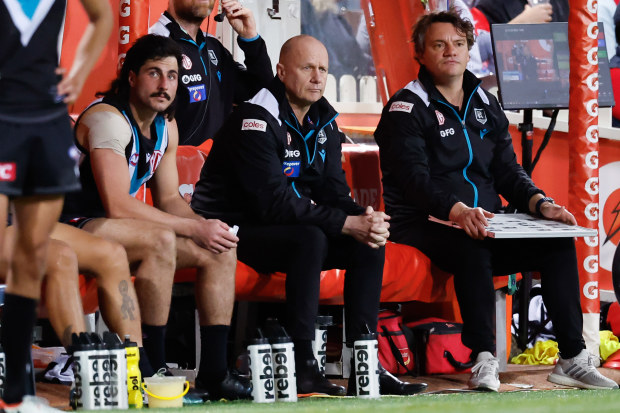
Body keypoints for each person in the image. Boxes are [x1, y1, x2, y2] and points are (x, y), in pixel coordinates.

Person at [374, 8, 619, 392]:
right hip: (422, 224)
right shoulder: (406, 107)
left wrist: (541, 203)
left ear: (470, 50)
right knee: (472, 245)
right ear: (421, 54)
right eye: (438, 44)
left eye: (458, 43)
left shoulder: (485, 103)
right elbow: (413, 182)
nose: (449, 51)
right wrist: (457, 211)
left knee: (556, 241)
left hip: (485, 222)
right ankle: (483, 358)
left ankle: (571, 357)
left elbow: (508, 171)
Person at [191, 34, 427, 396]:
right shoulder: (254, 119)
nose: (317, 77)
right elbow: (273, 203)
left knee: (367, 244)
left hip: (285, 225)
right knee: (310, 238)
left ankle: (367, 367)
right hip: (234, 228)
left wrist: (365, 219)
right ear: (282, 72)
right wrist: (346, 223)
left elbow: (332, 190)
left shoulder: (323, 120)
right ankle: (303, 364)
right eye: (307, 68)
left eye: (323, 69)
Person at [61, 34, 248, 401]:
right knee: (160, 240)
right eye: (154, 73)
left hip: (110, 227)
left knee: (220, 250)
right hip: (67, 223)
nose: (165, 85)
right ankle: (155, 368)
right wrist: (193, 226)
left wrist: (205, 228)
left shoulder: (167, 126)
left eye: (173, 76)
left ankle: (214, 373)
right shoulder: (107, 119)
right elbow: (117, 203)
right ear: (130, 77)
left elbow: (167, 199)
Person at [0, 0, 112, 410]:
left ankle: (17, 394)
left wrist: (79, 71)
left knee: (32, 255)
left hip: (44, 119)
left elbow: (103, 18)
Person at [150, 0, 273, 146]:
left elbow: (261, 93)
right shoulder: (153, 42)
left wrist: (251, 39)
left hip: (217, 165)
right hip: (172, 165)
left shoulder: (213, 45)